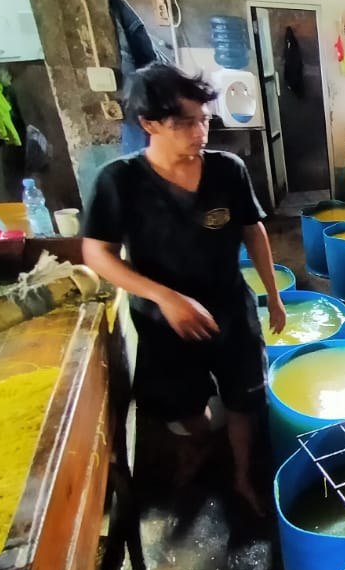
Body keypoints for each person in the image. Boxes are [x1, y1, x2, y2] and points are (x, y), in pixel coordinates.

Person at [82, 64, 285, 515]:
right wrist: (164, 296)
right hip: (163, 321)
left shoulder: (227, 171)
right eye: (185, 123)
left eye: (204, 119)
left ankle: (241, 473)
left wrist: (271, 294)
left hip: (230, 307)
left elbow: (254, 232)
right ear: (149, 125)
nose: (200, 132)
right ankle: (202, 442)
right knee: (184, 407)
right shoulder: (120, 182)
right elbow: (97, 254)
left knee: (244, 398)